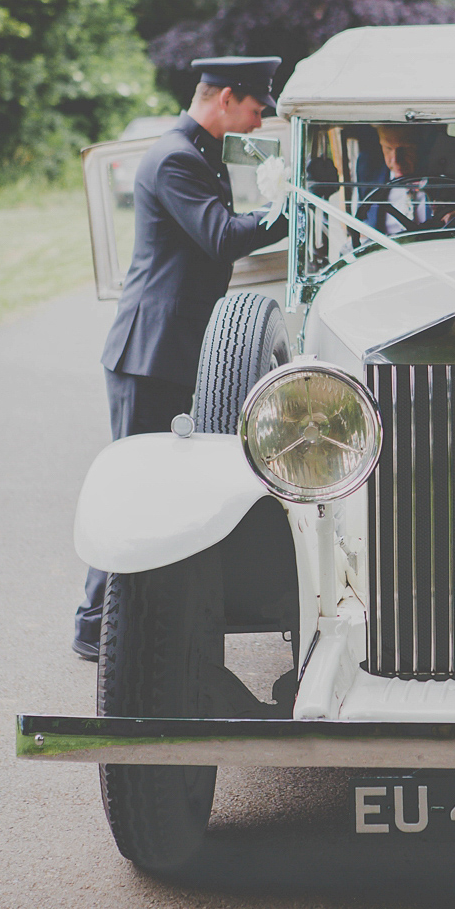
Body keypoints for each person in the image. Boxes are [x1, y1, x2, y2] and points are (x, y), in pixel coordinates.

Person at [72, 56, 290, 660]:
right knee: (131, 484)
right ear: (224, 97)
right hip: (149, 348)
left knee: (151, 479)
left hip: (170, 344)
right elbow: (219, 235)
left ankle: (110, 615)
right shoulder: (175, 156)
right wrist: (285, 215)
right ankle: (93, 624)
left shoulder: (199, 153)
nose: (259, 117)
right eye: (255, 106)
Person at [355, 125, 455, 233]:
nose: (396, 160)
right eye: (388, 148)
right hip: (384, 261)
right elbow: (361, 221)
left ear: (424, 147)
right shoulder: (369, 169)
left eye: (406, 149)